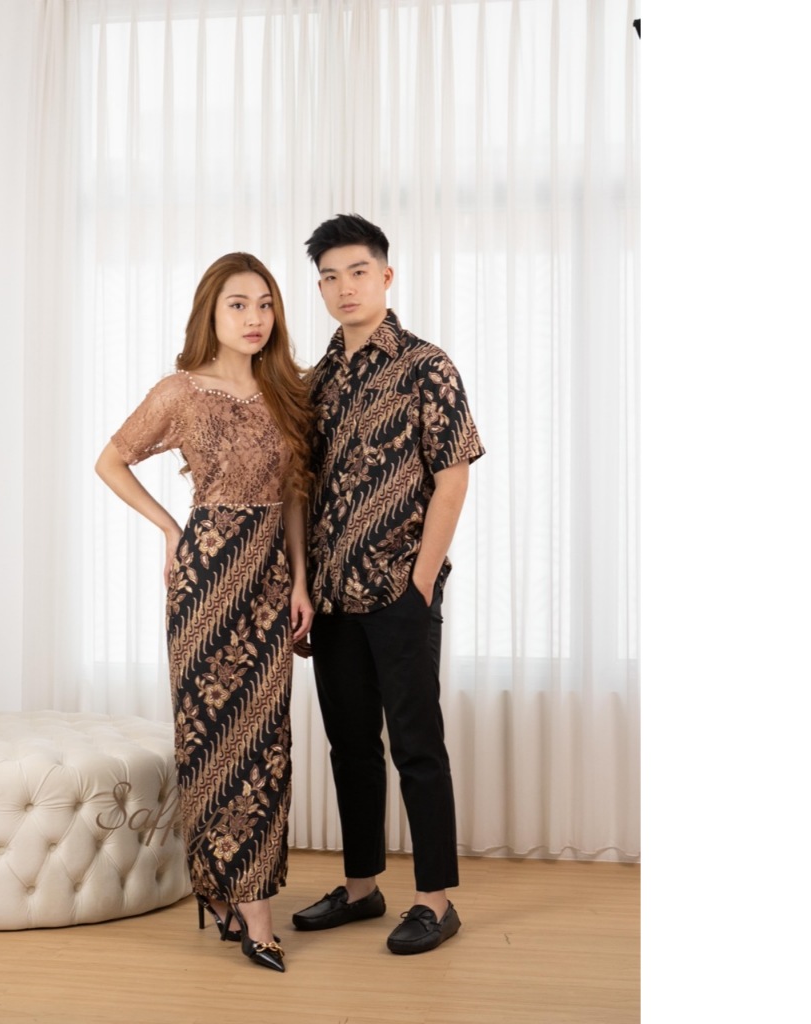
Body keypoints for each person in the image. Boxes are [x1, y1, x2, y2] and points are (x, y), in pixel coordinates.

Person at [96, 253, 313, 974]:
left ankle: (235, 895)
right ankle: (243, 905)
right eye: (238, 305)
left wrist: (301, 582)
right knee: (210, 742)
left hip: (269, 580)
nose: (255, 318)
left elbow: (294, 496)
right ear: (210, 314)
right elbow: (111, 460)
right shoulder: (181, 391)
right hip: (206, 578)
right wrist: (170, 529)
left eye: (265, 304)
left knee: (265, 744)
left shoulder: (286, 391)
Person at [292, 214, 485, 955]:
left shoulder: (426, 366)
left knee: (416, 745)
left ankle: (435, 901)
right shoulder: (315, 381)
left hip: (401, 592)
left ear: (386, 276)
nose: (345, 287)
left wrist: (421, 582)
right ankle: (362, 887)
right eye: (330, 277)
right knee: (350, 747)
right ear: (320, 288)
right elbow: (301, 488)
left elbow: (452, 478)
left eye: (358, 272)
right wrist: (303, 585)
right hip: (332, 597)